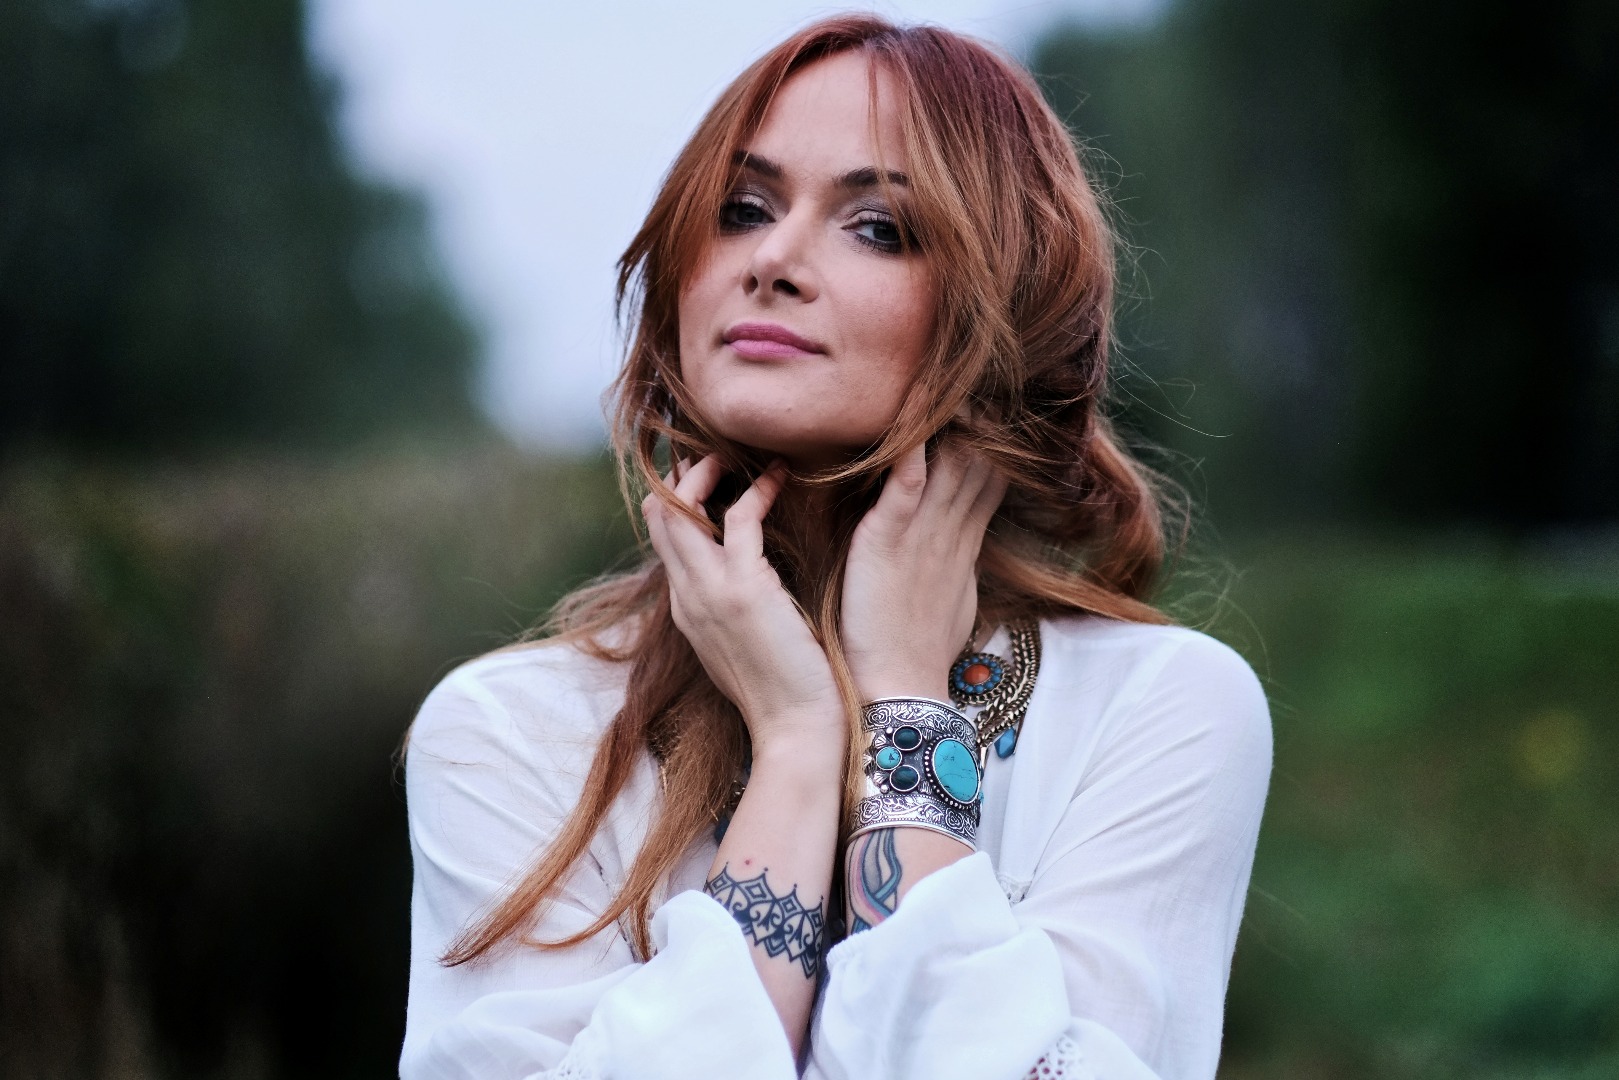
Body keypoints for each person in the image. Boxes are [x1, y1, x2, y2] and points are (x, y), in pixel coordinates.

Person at [398, 14, 1271, 1080]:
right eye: (740, 210)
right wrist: (797, 742)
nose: (771, 259)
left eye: (878, 227)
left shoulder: (1154, 711)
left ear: (1003, 302)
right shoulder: (511, 732)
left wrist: (903, 700)